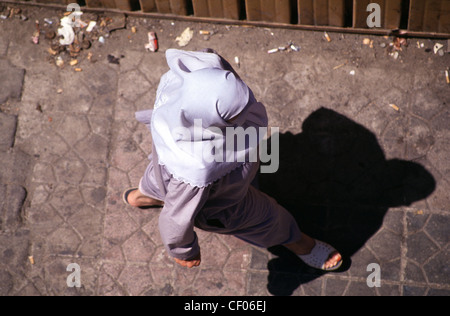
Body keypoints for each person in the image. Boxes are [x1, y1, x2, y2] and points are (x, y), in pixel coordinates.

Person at [123, 49, 342, 271]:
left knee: (158, 183)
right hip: (221, 201)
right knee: (268, 218)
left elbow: (208, 58)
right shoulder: (197, 167)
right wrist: (184, 251)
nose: (247, 114)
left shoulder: (181, 90)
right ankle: (300, 243)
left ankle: (140, 197)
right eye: (233, 116)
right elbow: (175, 219)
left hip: (163, 170)